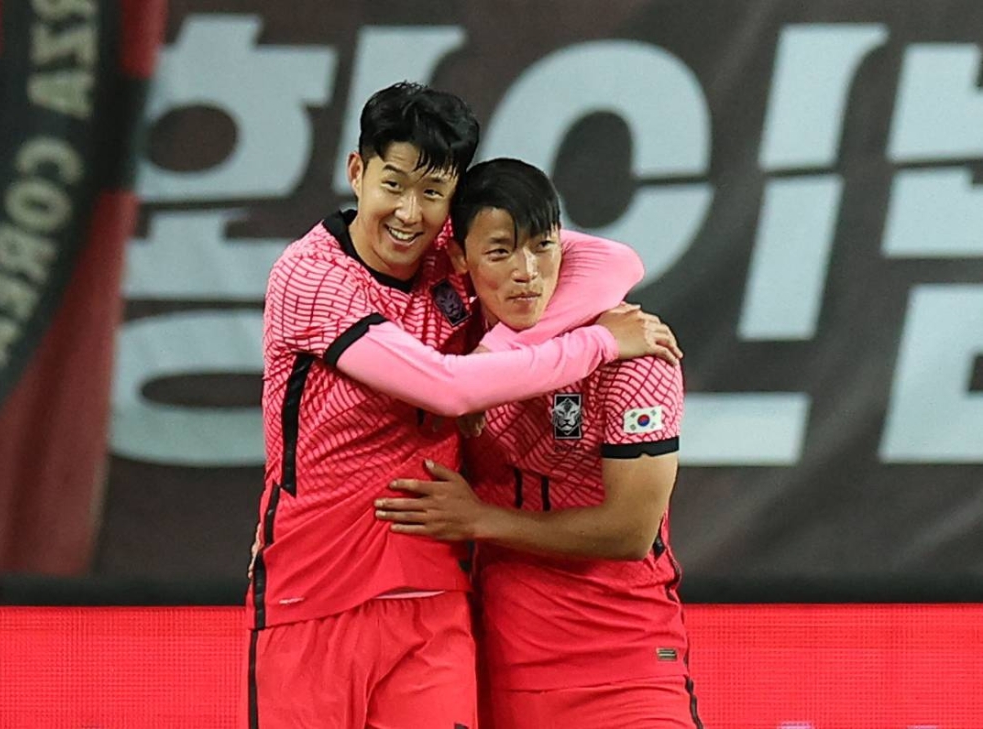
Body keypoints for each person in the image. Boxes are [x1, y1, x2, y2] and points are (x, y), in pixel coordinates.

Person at [244, 82, 681, 729]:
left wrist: (507, 341)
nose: (409, 213)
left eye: (432, 193)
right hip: (315, 594)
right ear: (357, 171)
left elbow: (608, 258)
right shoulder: (312, 277)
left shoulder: (452, 252)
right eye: (393, 183)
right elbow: (448, 388)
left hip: (433, 595)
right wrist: (586, 343)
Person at [374, 158, 703, 728]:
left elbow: (631, 531)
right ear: (461, 259)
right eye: (500, 253)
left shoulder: (633, 350)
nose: (527, 272)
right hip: (504, 673)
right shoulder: (446, 356)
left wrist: (479, 520)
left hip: (628, 668)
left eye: (542, 247)